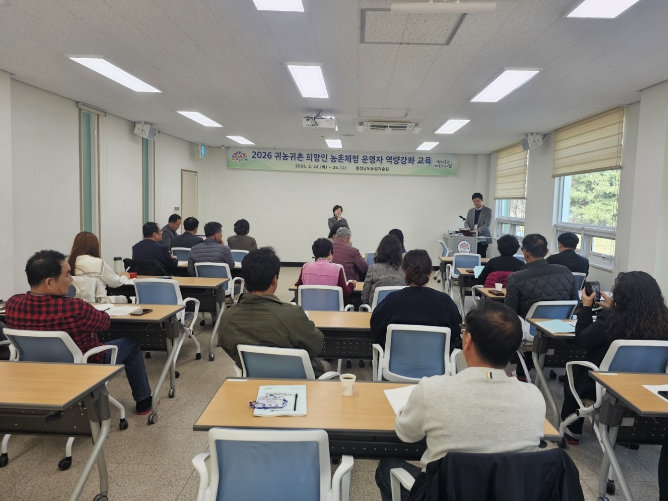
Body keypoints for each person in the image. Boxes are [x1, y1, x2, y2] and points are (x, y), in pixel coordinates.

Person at [374, 301, 545, 501]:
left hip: (443, 493)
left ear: (468, 341)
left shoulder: (432, 390)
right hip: (508, 494)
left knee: (386, 467)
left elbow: (406, 434)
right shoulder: (534, 397)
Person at [5, 250, 154, 414]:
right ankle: (144, 402)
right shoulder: (75, 308)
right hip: (84, 365)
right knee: (131, 344)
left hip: (36, 369)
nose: (71, 279)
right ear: (49, 282)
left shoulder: (13, 304)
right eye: (67, 274)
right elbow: (104, 323)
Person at [560, 271, 668, 445]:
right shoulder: (663, 321)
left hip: (603, 386)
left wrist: (586, 308)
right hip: (644, 387)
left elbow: (582, 340)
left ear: (621, 296)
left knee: (574, 373)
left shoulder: (611, 320)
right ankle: (627, 436)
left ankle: (573, 431)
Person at [217, 247, 329, 376]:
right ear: (274, 280)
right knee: (326, 366)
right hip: (296, 379)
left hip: (254, 380)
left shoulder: (227, 317)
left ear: (245, 281)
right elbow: (316, 345)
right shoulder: (293, 314)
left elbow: (228, 348)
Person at [370, 250, 462, 350]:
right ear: (430, 274)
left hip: (396, 359)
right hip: (437, 359)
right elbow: (456, 331)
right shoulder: (445, 302)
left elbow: (375, 326)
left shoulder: (391, 300)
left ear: (404, 272)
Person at [504, 233, 580, 319]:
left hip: (528, 326)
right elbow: (576, 305)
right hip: (561, 324)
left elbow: (510, 313)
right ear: (546, 252)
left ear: (525, 252)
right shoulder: (566, 272)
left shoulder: (516, 278)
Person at [67, 231, 130, 302]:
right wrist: (125, 277)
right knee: (127, 299)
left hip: (75, 303)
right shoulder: (98, 263)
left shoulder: (68, 263)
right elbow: (116, 282)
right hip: (99, 303)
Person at [362, 235, 405, 305]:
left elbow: (364, 298)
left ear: (380, 250)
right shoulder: (404, 270)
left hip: (376, 310)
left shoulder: (373, 269)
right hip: (399, 310)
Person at [464, 192, 492, 257]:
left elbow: (487, 224)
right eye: (474, 201)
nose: (476, 203)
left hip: (483, 238)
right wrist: (467, 227)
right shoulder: (470, 211)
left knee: (481, 257)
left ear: (482, 200)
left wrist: (478, 230)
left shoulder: (488, 211)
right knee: (471, 256)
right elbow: (466, 222)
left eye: (478, 201)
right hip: (472, 237)